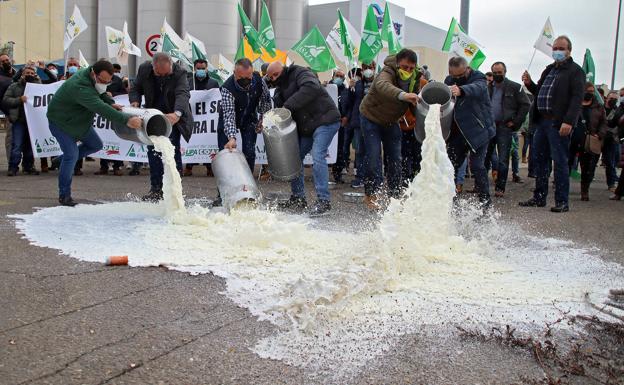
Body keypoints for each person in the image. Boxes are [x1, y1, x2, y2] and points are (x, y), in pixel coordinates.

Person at [46, 59, 143, 206]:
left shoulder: (93, 77)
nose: (104, 84)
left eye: (107, 82)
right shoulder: (79, 87)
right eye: (102, 80)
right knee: (71, 156)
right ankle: (64, 195)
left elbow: (101, 93)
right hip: (61, 123)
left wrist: (110, 102)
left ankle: (60, 160)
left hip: (79, 122)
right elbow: (100, 108)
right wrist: (127, 121)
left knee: (95, 144)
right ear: (93, 73)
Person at [519, 35, 585, 213]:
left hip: (558, 124)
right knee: (540, 160)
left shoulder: (575, 71)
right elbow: (539, 91)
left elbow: (577, 99)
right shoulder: (549, 69)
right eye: (555, 48)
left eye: (561, 48)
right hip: (542, 122)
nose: (557, 51)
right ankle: (539, 197)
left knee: (560, 162)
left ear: (569, 50)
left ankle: (562, 201)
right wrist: (529, 83)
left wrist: (569, 121)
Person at [266, 60, 341, 216]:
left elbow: (311, 87)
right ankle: (298, 198)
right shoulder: (279, 90)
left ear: (284, 69)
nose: (274, 78)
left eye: (276, 74)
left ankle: (323, 201)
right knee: (295, 159)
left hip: (326, 120)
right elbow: (280, 112)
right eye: (271, 77)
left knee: (318, 155)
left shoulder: (300, 72)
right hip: (307, 127)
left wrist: (288, 106)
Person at [358, 49, 420, 209]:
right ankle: (371, 194)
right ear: (397, 63)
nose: (408, 71)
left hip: (392, 121)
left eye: (411, 68)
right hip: (371, 117)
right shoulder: (387, 71)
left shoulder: (416, 77)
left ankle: (395, 196)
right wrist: (403, 95)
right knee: (373, 156)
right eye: (405, 67)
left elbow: (416, 103)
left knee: (396, 160)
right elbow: (382, 86)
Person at [130, 52, 193, 202]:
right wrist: (135, 102)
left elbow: (182, 94)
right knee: (153, 153)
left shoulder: (180, 73)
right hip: (151, 117)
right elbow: (135, 88)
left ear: (171, 65)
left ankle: (175, 190)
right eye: (159, 74)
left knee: (172, 152)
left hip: (172, 117)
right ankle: (156, 189)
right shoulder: (144, 69)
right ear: (153, 67)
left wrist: (177, 114)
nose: (163, 76)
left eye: (166, 74)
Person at [445, 56, 495, 207]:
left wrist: (461, 90)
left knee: (477, 166)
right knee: (450, 165)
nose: (457, 78)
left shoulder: (478, 77)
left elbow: (478, 88)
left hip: (479, 130)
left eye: (460, 75)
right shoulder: (449, 80)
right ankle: (448, 198)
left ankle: (485, 201)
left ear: (467, 69)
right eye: (455, 76)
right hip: (459, 131)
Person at [486, 61, 531, 197]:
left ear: (505, 72)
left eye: (500, 72)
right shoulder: (487, 88)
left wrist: (516, 122)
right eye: (495, 72)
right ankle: (480, 186)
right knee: (484, 158)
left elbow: (525, 105)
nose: (497, 75)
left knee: (503, 159)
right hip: (489, 127)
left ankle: (500, 188)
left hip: (504, 127)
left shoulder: (514, 87)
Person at [570, 82, 608, 201]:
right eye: (588, 91)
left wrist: (599, 134)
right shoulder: (574, 103)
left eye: (592, 91)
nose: (590, 93)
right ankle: (562, 186)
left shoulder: (598, 106)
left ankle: (584, 190)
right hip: (574, 138)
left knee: (587, 168)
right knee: (566, 163)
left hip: (590, 140)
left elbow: (603, 122)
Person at [184, 58, 220, 177]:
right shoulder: (188, 82)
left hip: (207, 119)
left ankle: (209, 167)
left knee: (207, 140)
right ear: (194, 69)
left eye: (202, 68)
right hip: (192, 117)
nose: (200, 70)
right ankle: (189, 166)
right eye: (198, 69)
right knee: (192, 140)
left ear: (207, 68)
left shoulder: (213, 83)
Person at [343, 62, 376, 189]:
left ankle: (372, 177)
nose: (368, 70)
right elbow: (349, 102)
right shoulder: (358, 84)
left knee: (373, 150)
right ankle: (360, 177)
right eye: (365, 68)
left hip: (374, 120)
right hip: (359, 121)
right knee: (360, 150)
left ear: (374, 68)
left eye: (370, 68)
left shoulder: (378, 83)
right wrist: (350, 89)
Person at [3, 65, 40, 176]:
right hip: (19, 120)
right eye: (27, 73)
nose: (29, 75)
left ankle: (28, 166)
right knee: (17, 145)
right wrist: (19, 100)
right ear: (22, 75)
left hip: (32, 122)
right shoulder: (14, 86)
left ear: (35, 75)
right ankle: (13, 167)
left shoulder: (38, 87)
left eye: (31, 73)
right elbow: (6, 100)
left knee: (30, 146)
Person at [95, 63, 128, 176]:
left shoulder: (118, 80)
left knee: (116, 139)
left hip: (115, 111)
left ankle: (117, 166)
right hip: (103, 114)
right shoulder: (96, 80)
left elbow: (124, 93)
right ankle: (103, 166)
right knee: (104, 138)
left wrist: (112, 94)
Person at [400, 64, 428, 187]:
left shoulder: (424, 84)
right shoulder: (401, 83)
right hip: (402, 124)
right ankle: (405, 179)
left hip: (418, 125)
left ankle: (417, 178)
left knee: (418, 153)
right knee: (404, 153)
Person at [329, 69, 348, 183]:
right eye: (337, 76)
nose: (339, 78)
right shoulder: (327, 88)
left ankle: (338, 173)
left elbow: (348, 106)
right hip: (327, 122)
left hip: (340, 123)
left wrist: (346, 116)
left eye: (341, 76)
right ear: (333, 76)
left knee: (339, 148)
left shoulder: (345, 91)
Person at [604, 91, 621, 191]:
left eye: (615, 99)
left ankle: (611, 184)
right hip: (599, 137)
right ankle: (586, 184)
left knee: (611, 162)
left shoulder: (617, 110)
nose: (613, 101)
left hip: (612, 138)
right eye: (611, 98)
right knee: (591, 162)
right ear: (607, 98)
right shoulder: (600, 108)